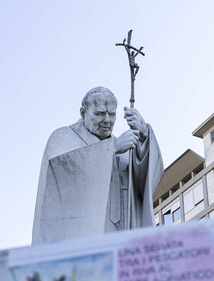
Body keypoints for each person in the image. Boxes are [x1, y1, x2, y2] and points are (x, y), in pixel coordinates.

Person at [32, 86, 164, 244]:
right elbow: (60, 176)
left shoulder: (124, 146)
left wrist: (144, 136)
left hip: (121, 237)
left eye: (112, 114)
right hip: (81, 240)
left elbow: (145, 184)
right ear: (83, 113)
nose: (107, 120)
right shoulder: (63, 138)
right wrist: (112, 149)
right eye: (99, 113)